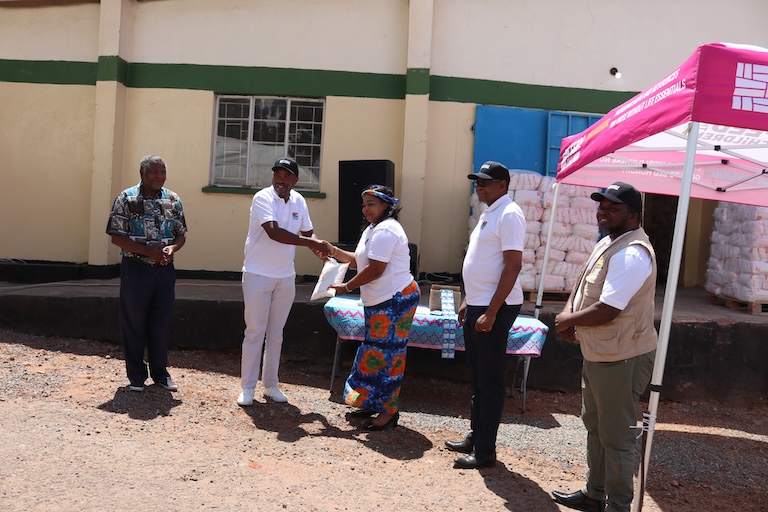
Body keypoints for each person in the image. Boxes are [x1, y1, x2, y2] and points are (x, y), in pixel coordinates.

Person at [552, 182, 657, 512]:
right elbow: (583, 284)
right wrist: (570, 315)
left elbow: (609, 308)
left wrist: (569, 322)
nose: (603, 211)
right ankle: (595, 494)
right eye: (602, 205)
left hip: (622, 358)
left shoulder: (632, 253)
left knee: (617, 436)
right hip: (600, 353)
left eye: (613, 207)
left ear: (633, 215)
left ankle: (618, 505)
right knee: (595, 427)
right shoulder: (609, 243)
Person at [445, 161, 525, 469]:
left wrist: (491, 312)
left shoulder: (510, 213)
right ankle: (476, 436)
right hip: (479, 304)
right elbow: (482, 261)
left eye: (486, 182)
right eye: (477, 182)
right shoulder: (490, 211)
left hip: (496, 307)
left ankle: (486, 451)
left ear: (503, 185)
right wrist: (469, 299)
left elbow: (512, 266)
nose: (479, 186)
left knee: (490, 380)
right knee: (477, 378)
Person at [324, 184, 419, 431]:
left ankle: (389, 412)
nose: (366, 209)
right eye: (364, 205)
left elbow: (376, 269)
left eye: (372, 204)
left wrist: (347, 287)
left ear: (386, 205)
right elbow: (361, 261)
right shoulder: (372, 229)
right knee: (374, 352)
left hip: (395, 300)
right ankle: (370, 403)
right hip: (380, 301)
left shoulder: (387, 229)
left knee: (389, 355)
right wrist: (334, 251)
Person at [237, 157, 329, 406]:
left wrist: (323, 253)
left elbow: (308, 233)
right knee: (255, 331)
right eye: (277, 174)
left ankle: (271, 385)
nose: (281, 179)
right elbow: (274, 232)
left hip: (285, 276)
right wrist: (311, 243)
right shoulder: (262, 198)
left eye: (287, 175)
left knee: (276, 333)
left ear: (295, 180)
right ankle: (247, 387)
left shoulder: (299, 200)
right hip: (257, 273)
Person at [106, 154, 187, 392]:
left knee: (160, 323)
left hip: (164, 270)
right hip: (136, 270)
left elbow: (181, 233)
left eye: (163, 172)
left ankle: (161, 375)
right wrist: (146, 252)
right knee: (134, 323)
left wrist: (172, 248)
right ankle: (137, 376)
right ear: (142, 173)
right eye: (154, 172)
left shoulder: (173, 199)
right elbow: (116, 236)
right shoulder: (126, 198)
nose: (159, 176)